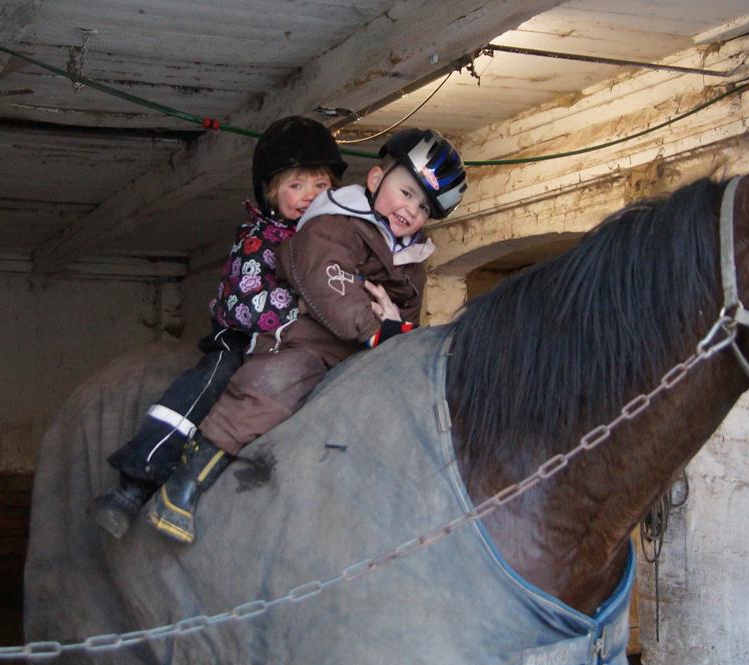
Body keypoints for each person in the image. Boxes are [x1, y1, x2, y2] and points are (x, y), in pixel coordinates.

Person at [146, 128, 468, 545]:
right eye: (406, 193)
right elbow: (330, 285)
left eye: (423, 207)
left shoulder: (413, 261)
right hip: (311, 343)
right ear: (374, 180)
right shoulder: (332, 225)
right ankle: (187, 479)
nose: (411, 210)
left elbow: (406, 320)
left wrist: (399, 335)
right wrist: (383, 330)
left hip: (367, 355)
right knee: (270, 387)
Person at [90, 116, 347, 538]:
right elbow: (246, 300)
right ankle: (137, 480)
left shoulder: (338, 242)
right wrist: (302, 317)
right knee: (207, 383)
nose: (308, 197)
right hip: (247, 341)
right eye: (295, 186)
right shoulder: (258, 238)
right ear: (270, 192)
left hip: (303, 352)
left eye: (319, 186)